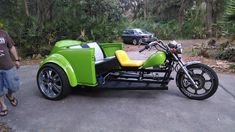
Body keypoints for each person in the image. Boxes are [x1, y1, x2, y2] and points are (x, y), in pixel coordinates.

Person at [0, 23, 20, 116]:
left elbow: (11, 47)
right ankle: (3, 106)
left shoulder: (3, 33)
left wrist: (16, 59)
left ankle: (9, 95)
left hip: (8, 65)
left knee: (13, 86)